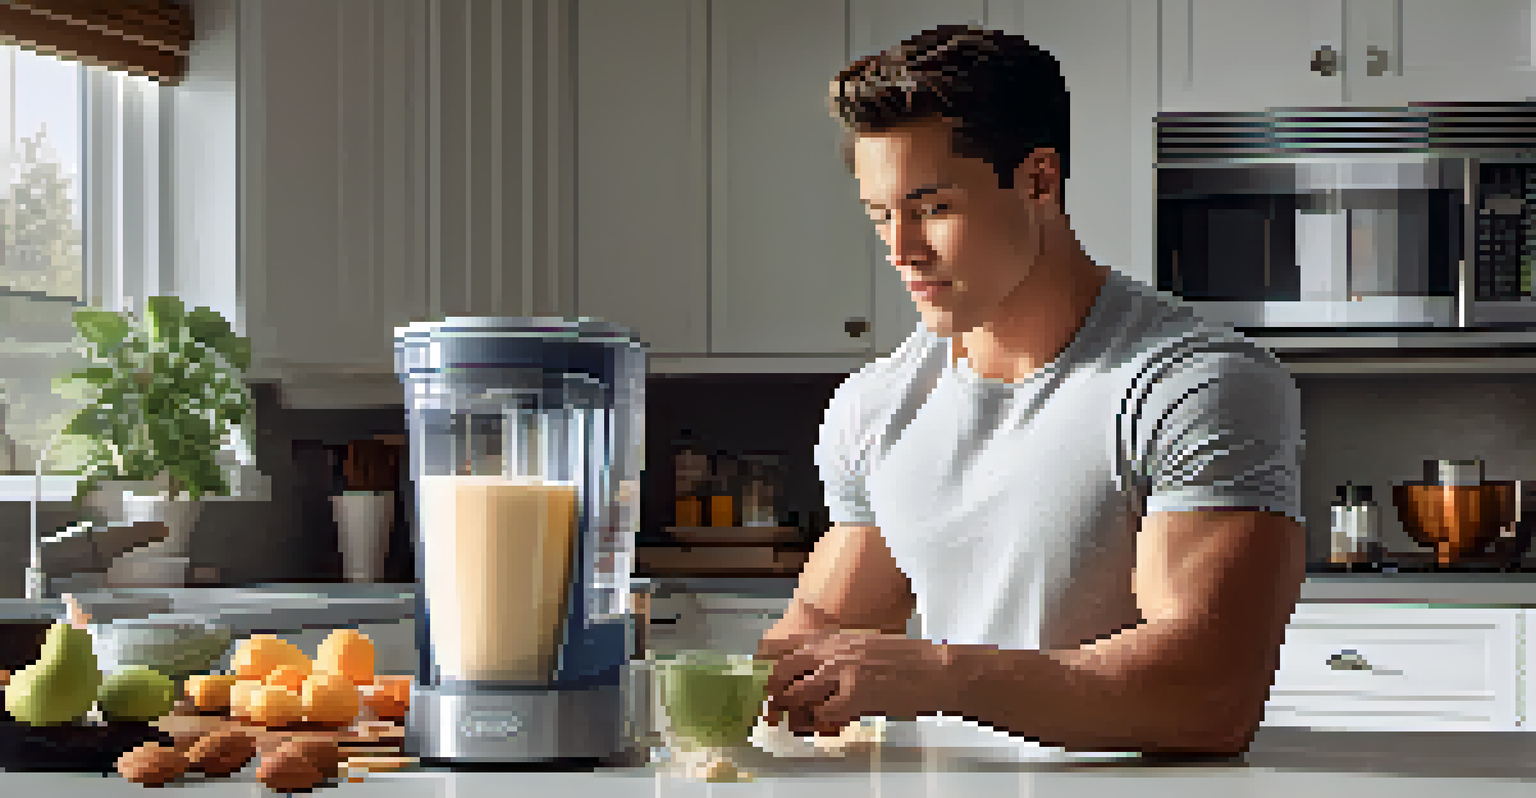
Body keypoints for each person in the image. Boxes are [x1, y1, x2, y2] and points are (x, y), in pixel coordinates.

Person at [756, 24, 1306, 758]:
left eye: (934, 208)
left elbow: (1209, 695)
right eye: (881, 215)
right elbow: (820, 623)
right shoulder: (876, 405)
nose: (901, 251)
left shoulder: (1191, 384)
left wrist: (941, 676)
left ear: (1039, 180)